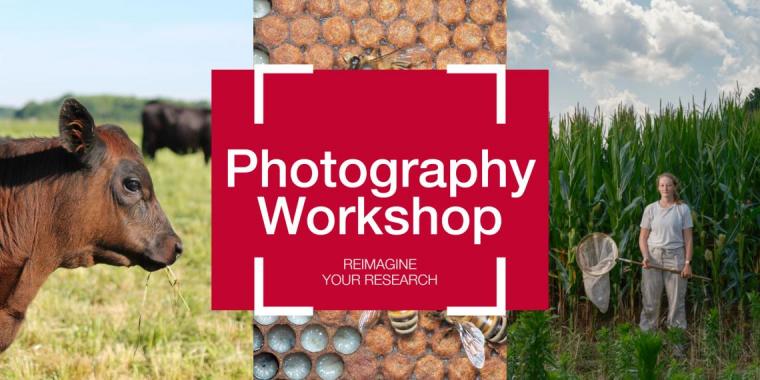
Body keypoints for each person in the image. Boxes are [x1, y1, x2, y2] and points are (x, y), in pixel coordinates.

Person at [639, 172, 693, 331]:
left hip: (675, 258)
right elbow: (642, 237)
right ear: (658, 188)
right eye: (662, 185)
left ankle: (676, 344)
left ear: (674, 187)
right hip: (653, 258)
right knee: (650, 302)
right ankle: (647, 341)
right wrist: (646, 256)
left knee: (677, 303)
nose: (665, 188)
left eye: (669, 185)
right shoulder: (650, 209)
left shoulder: (682, 209)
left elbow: (688, 239)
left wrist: (687, 263)